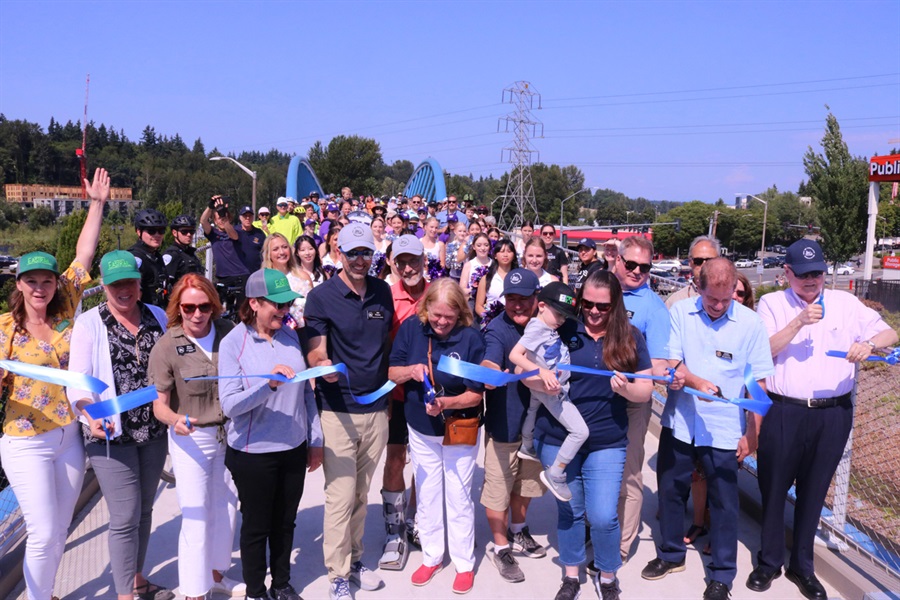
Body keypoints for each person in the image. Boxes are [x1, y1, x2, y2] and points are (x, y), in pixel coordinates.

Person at [748, 239, 897, 599]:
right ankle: (769, 561)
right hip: (786, 410)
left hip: (832, 414)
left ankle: (802, 566)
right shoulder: (772, 303)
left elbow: (891, 332)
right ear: (787, 273)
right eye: (803, 275)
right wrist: (799, 321)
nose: (811, 281)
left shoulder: (845, 303)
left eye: (817, 273)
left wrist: (872, 345)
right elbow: (763, 350)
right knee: (773, 485)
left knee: (815, 492)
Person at [0, 168, 107, 600]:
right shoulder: (5, 329)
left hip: (67, 434)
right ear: (19, 285)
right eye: (32, 281)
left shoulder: (66, 306)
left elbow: (83, 255)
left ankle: (45, 590)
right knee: (42, 532)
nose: (41, 287)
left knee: (60, 528)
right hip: (25, 439)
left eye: (46, 279)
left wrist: (97, 204)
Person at [641, 257, 774, 600]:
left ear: (735, 291)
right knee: (670, 491)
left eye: (725, 299)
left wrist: (753, 432)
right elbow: (672, 361)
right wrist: (696, 382)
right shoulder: (681, 312)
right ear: (698, 287)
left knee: (725, 502)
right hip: (681, 422)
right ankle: (671, 555)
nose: (716, 306)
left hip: (724, 431)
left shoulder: (751, 324)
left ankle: (722, 576)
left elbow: (757, 383)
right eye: (710, 298)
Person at [533, 269, 653, 600]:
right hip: (559, 438)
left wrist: (627, 390)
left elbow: (645, 390)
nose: (594, 312)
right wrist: (540, 375)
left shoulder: (631, 336)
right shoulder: (563, 327)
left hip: (606, 440)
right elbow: (522, 367)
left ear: (615, 304)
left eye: (603, 306)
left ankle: (607, 575)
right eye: (587, 304)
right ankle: (571, 576)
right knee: (570, 511)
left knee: (602, 516)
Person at [67, 250, 172, 600]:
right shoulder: (89, 324)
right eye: (115, 284)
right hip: (110, 435)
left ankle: (137, 580)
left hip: (153, 432)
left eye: (129, 281)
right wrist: (88, 411)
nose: (123, 289)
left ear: (139, 283)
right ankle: (124, 594)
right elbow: (78, 381)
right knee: (125, 517)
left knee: (144, 511)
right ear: (103, 285)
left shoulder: (157, 316)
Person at [219, 269, 323, 600]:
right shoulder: (233, 342)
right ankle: (255, 590)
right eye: (277, 305)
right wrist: (269, 385)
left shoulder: (291, 335)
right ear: (254, 304)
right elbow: (231, 405)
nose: (284, 310)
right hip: (253, 453)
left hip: (293, 446)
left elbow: (308, 392)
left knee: (285, 523)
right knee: (256, 527)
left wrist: (315, 439)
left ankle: (281, 583)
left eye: (288, 303)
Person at [304, 223, 395, 600]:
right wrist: (323, 365)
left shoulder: (382, 291)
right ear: (338, 254)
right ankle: (337, 573)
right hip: (337, 409)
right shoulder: (321, 297)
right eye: (353, 253)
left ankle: (356, 560)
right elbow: (315, 350)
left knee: (360, 493)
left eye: (366, 253)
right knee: (339, 496)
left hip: (377, 408)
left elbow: (387, 346)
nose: (360, 260)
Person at [148, 274, 244, 600]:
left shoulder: (229, 333)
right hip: (191, 437)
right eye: (189, 307)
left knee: (228, 506)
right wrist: (174, 420)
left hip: (228, 433)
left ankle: (216, 574)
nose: (197, 314)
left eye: (204, 306)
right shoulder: (167, 346)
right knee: (196, 514)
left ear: (213, 306)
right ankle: (193, 591)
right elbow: (159, 406)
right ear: (178, 308)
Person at [388, 278, 485, 595]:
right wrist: (411, 370)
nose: (442, 322)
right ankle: (431, 556)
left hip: (459, 429)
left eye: (450, 317)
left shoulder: (471, 339)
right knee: (428, 496)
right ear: (425, 307)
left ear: (461, 314)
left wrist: (448, 403)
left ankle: (464, 563)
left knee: (458, 497)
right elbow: (392, 372)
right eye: (437, 314)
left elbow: (475, 394)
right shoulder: (411, 329)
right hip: (420, 428)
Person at [480, 269, 548, 584]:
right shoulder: (497, 329)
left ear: (537, 299)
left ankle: (518, 530)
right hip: (503, 424)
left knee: (527, 484)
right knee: (498, 489)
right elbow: (490, 360)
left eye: (524, 299)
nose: (517, 305)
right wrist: (489, 372)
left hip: (537, 427)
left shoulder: (547, 325)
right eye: (511, 299)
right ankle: (500, 546)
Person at [612, 235, 671, 560]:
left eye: (644, 267)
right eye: (631, 264)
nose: (637, 271)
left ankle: (620, 547)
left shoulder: (654, 308)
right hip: (594, 398)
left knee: (629, 473)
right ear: (618, 260)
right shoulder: (600, 291)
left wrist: (631, 379)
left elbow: (660, 366)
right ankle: (601, 530)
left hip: (632, 402)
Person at [510, 281, 589, 502]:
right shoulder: (537, 327)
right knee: (580, 432)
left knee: (533, 409)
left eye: (565, 316)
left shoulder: (547, 327)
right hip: (553, 391)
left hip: (550, 387)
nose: (562, 320)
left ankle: (526, 445)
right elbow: (516, 355)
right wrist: (541, 373)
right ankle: (556, 473)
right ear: (542, 305)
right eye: (559, 314)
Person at [379, 235, 429, 571]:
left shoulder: (438, 291)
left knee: (426, 463)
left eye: (414, 260)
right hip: (397, 392)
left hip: (430, 394)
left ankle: (416, 520)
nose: (408, 267)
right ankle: (394, 530)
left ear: (425, 260)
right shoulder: (385, 295)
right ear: (393, 264)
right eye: (401, 262)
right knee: (396, 458)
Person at [202, 196, 252, 314]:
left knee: (242, 311)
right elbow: (203, 221)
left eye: (223, 218)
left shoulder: (238, 230)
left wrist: (225, 218)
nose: (221, 221)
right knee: (220, 310)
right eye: (218, 219)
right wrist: (210, 207)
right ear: (215, 221)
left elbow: (233, 236)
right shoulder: (213, 234)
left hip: (240, 275)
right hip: (223, 276)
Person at [261, 233, 310, 328]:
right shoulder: (264, 279)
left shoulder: (303, 276)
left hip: (303, 332)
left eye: (284, 247)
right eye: (275, 249)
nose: (282, 252)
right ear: (268, 254)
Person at [129, 208, 169, 308]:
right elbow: (133, 297)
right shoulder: (135, 258)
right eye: (151, 231)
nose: (157, 235)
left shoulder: (156, 256)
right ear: (139, 232)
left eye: (161, 231)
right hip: (144, 317)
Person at [665, 235, 720, 308]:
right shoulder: (675, 302)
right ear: (690, 262)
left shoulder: (732, 297)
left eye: (710, 261)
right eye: (698, 261)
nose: (704, 266)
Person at [474, 238, 518, 320]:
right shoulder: (486, 278)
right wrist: (488, 317)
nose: (505, 255)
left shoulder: (519, 277)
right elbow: (478, 306)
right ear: (495, 255)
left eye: (509, 251)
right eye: (501, 251)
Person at [162, 214, 203, 287]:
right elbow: (166, 284)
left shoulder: (190, 254)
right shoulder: (171, 255)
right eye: (184, 231)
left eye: (192, 231)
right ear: (175, 233)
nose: (189, 234)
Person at [459, 232, 492, 301]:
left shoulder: (494, 264)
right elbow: (462, 288)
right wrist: (473, 290)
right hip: (473, 300)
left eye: (486, 245)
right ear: (474, 247)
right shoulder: (468, 265)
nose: (483, 248)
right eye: (479, 245)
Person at [236, 205, 266, 273]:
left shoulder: (259, 233)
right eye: (245, 216)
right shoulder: (235, 231)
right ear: (240, 217)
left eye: (250, 216)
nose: (247, 218)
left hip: (256, 272)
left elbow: (265, 251)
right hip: (238, 273)